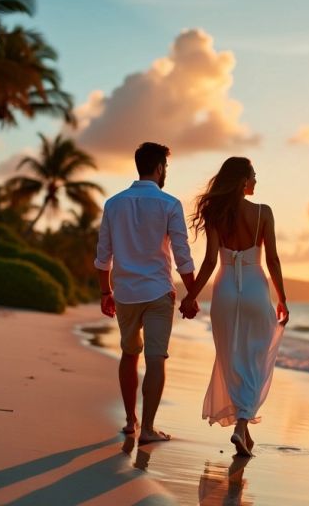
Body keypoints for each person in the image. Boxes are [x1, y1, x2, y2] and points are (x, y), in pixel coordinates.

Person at [182, 156, 289, 457]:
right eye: (253, 175)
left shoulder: (216, 213)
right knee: (255, 358)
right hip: (255, 288)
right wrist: (282, 298)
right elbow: (273, 261)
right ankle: (241, 426)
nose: (256, 180)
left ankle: (244, 430)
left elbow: (210, 261)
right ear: (242, 180)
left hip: (226, 289)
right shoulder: (263, 213)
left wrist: (192, 295)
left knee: (232, 358)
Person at [95, 142, 199, 444]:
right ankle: (149, 429)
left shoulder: (114, 204)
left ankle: (131, 422)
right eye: (165, 167)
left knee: (129, 354)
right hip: (158, 293)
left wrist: (106, 292)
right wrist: (192, 295)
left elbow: (104, 255)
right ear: (159, 168)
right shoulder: (169, 204)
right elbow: (182, 256)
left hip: (125, 292)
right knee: (156, 359)